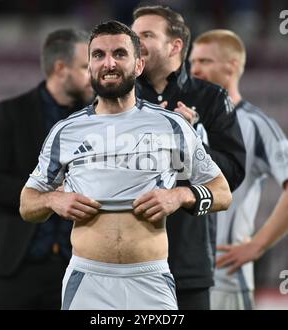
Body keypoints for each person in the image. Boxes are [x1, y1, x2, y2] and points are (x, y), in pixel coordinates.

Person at [19, 20, 232, 310]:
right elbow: (27, 204)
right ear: (90, 66)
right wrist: (54, 199)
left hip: (151, 279)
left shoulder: (171, 126)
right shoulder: (65, 132)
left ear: (139, 65)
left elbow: (222, 192)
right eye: (98, 55)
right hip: (87, 281)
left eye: (120, 54)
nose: (109, 63)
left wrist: (181, 195)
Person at [131, 5, 246, 309]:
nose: (134, 42)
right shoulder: (114, 98)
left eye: (146, 34)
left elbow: (233, 174)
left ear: (175, 45)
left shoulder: (212, 98)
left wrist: (193, 139)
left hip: (187, 266)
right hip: (125, 266)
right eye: (133, 34)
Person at [0, 28, 94, 309]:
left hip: (79, 265)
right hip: (16, 263)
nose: (93, 75)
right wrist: (47, 195)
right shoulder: (11, 113)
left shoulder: (97, 120)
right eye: (86, 66)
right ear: (61, 68)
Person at [189, 29, 288, 309]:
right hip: (179, 272)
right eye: (193, 62)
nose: (195, 69)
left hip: (225, 276)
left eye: (205, 61)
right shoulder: (184, 122)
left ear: (232, 66)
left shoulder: (256, 124)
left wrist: (256, 246)